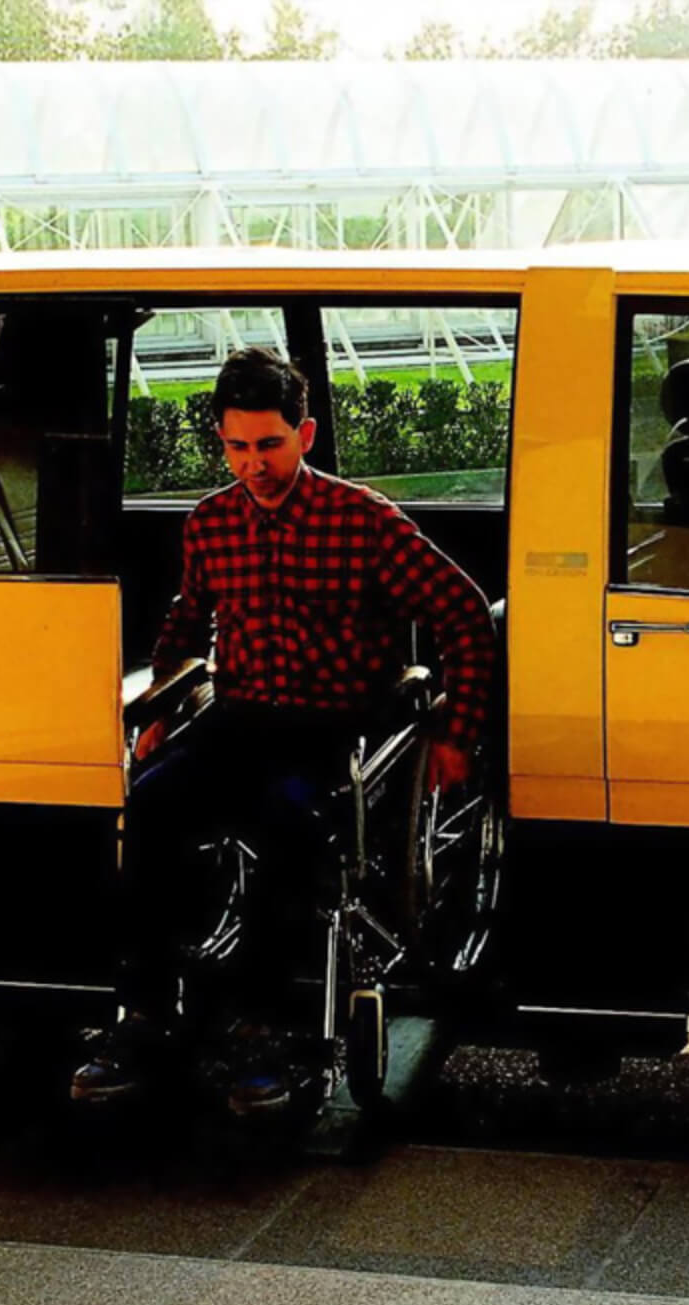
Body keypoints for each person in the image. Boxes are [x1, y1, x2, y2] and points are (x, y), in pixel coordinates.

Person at [72, 346, 497, 1102]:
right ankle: (146, 1013)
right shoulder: (211, 524)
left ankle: (267, 1025)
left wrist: (455, 731)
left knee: (285, 822)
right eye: (237, 447)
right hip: (240, 716)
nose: (254, 464)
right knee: (151, 805)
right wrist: (162, 710)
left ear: (304, 435)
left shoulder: (364, 521)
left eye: (269, 444)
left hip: (331, 725)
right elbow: (185, 623)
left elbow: (465, 616)